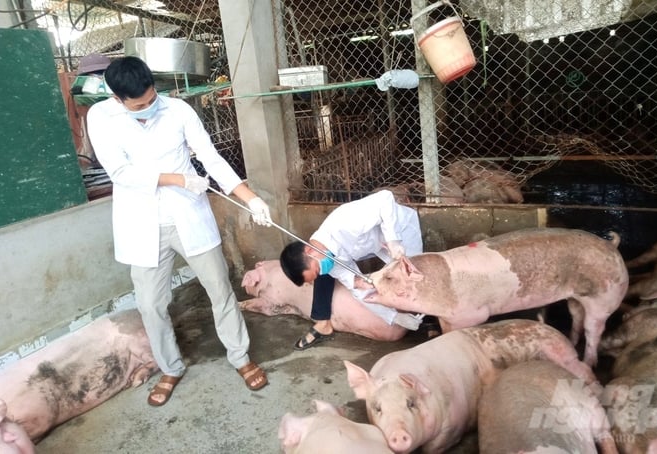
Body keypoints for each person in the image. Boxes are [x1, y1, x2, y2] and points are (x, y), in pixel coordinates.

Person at [87, 56, 272, 406]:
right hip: (142, 225)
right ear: (117, 99)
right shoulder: (101, 117)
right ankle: (170, 366)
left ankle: (241, 357)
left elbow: (211, 158)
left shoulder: (178, 110)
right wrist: (179, 179)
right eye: (139, 106)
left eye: (152, 98)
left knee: (220, 289)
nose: (148, 107)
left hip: (188, 217)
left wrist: (250, 198)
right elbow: (120, 173)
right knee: (150, 304)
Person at [279, 190, 424, 350]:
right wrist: (393, 317)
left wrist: (393, 240)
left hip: (401, 228)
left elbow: (385, 198)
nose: (322, 273)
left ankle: (434, 319)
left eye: (316, 270)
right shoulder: (329, 261)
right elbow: (357, 288)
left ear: (309, 251)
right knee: (397, 282)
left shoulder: (342, 223)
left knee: (416, 273)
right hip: (377, 245)